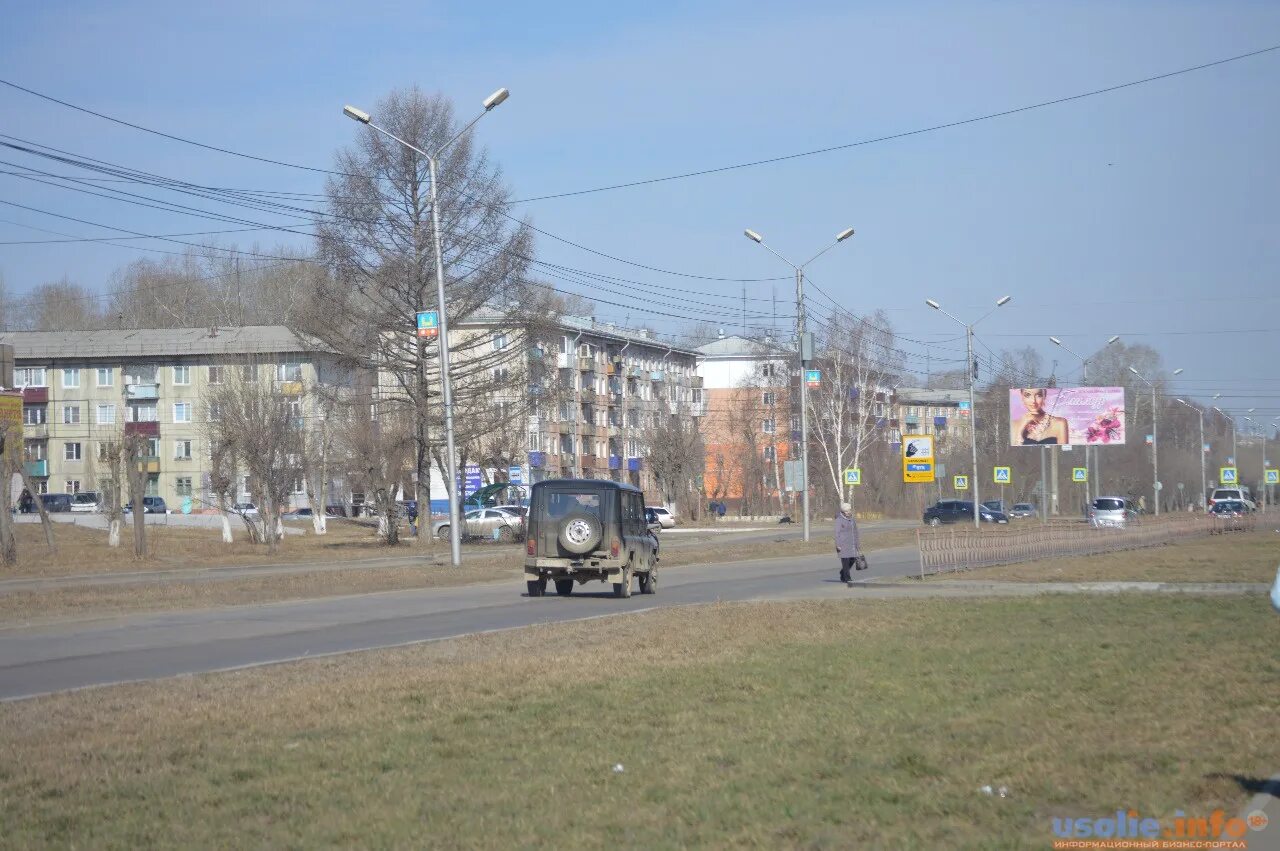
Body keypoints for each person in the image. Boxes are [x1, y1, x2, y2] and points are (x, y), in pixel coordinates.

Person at [835, 502, 863, 584]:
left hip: (852, 544)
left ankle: (842, 572)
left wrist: (857, 544)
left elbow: (855, 531)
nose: (848, 512)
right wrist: (838, 545)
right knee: (845, 562)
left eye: (849, 511)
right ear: (843, 512)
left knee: (853, 559)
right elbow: (837, 533)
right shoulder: (839, 520)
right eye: (846, 511)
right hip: (842, 545)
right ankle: (847, 578)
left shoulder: (852, 520)